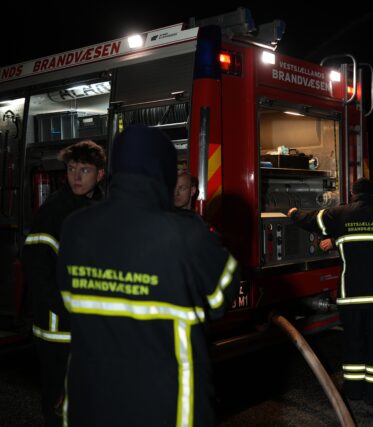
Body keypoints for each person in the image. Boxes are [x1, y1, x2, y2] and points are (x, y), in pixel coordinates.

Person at [56, 125, 239, 426]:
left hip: (89, 403)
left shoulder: (75, 227)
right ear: (163, 173)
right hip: (166, 406)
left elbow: (69, 301)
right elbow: (221, 296)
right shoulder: (186, 234)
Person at [287, 177, 373, 405]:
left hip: (350, 294)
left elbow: (312, 220)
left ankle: (353, 390)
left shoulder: (340, 214)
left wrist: (293, 213)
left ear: (353, 193)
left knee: (353, 342)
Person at [22, 140, 106, 427]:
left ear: (100, 174)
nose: (77, 177)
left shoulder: (103, 209)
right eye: (72, 169)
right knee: (59, 408)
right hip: (59, 331)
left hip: (92, 328)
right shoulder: (54, 211)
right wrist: (69, 313)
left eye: (85, 170)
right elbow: (37, 273)